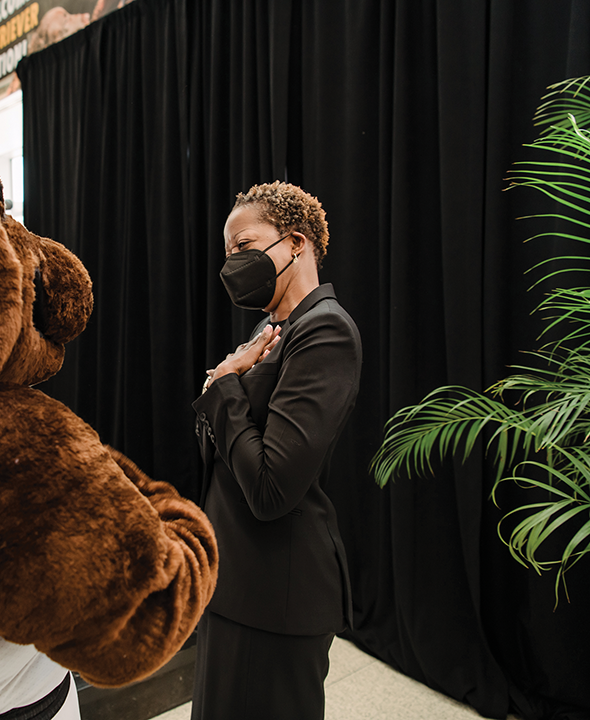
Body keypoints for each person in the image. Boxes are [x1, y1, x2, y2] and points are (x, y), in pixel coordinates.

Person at [190, 182, 362, 720]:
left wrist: (223, 386)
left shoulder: (326, 330)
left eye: (243, 246)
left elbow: (269, 488)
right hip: (239, 578)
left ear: (294, 242)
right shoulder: (269, 328)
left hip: (277, 593)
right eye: (227, 255)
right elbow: (220, 451)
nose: (232, 265)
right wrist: (226, 387)